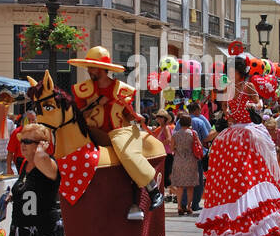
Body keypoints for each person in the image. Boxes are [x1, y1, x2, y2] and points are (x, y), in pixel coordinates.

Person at [196, 56, 280, 236]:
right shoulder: (228, 89)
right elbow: (225, 110)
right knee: (221, 153)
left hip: (248, 130)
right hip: (234, 130)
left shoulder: (248, 86)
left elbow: (260, 104)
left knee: (249, 172)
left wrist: (253, 107)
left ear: (239, 71)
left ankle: (254, 213)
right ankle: (230, 215)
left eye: (231, 70)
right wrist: (227, 112)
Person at [69, 46, 163, 219]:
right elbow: (79, 115)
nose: (89, 71)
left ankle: (152, 190)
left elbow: (126, 114)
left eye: (93, 67)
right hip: (92, 132)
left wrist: (138, 116)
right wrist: (98, 103)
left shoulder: (123, 89)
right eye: (88, 67)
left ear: (103, 69)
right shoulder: (82, 90)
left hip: (121, 131)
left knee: (126, 153)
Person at [170, 115, 201, 215]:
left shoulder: (175, 135)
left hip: (178, 161)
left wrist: (177, 150)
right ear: (189, 123)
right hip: (191, 161)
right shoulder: (193, 133)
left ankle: (179, 206)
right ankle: (188, 206)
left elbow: (171, 148)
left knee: (180, 186)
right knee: (190, 186)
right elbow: (199, 145)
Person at [188, 101, 212, 212]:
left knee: (186, 179)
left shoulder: (181, 120)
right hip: (197, 153)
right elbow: (207, 137)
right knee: (198, 180)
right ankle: (195, 204)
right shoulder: (200, 120)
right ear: (197, 110)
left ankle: (184, 203)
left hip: (184, 154)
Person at [151, 111, 175, 201]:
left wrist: (158, 144)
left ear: (164, 118)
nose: (158, 118)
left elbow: (168, 139)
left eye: (160, 117)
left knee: (166, 180)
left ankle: (181, 196)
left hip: (167, 155)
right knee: (165, 178)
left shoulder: (165, 128)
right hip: (166, 154)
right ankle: (180, 196)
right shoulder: (162, 128)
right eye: (157, 117)